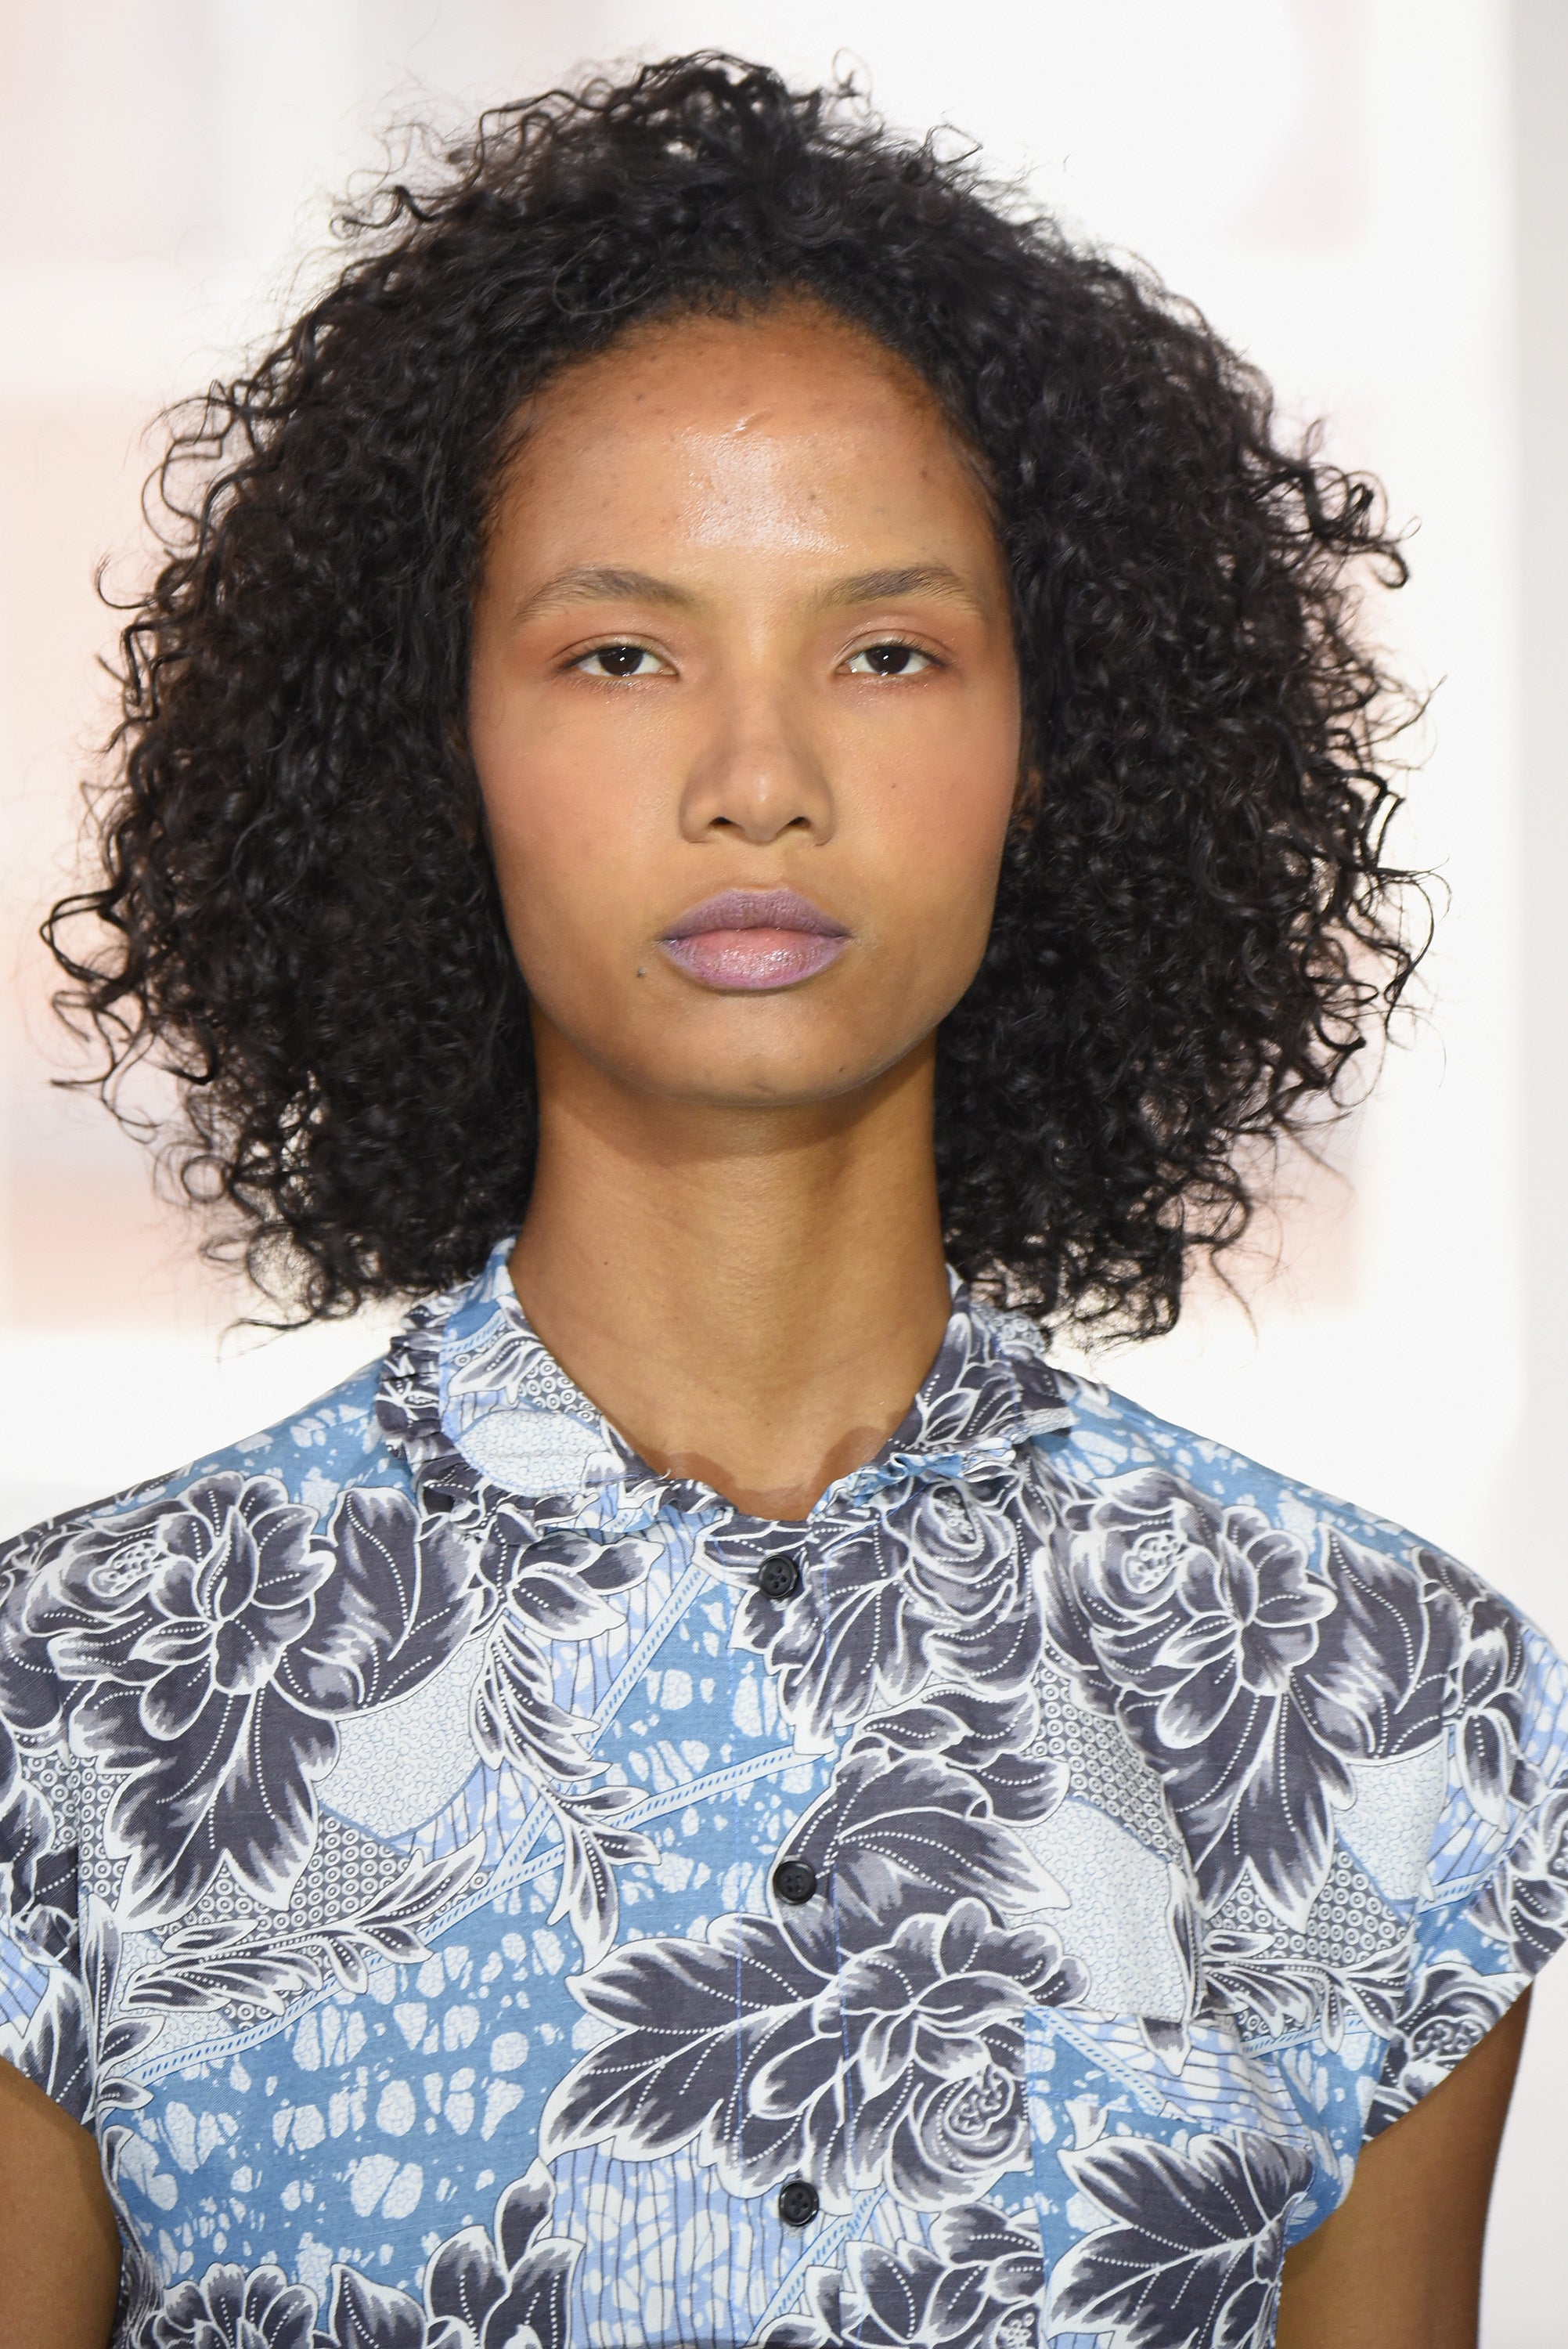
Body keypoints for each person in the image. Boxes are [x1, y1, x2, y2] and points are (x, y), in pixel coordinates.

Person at [0, 53, 1555, 2349]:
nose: (757, 779)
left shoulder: (1383, 1710)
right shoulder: (68, 1712)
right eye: (620, 653)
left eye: (888, 650)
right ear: (440, 747)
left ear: (1058, 748)